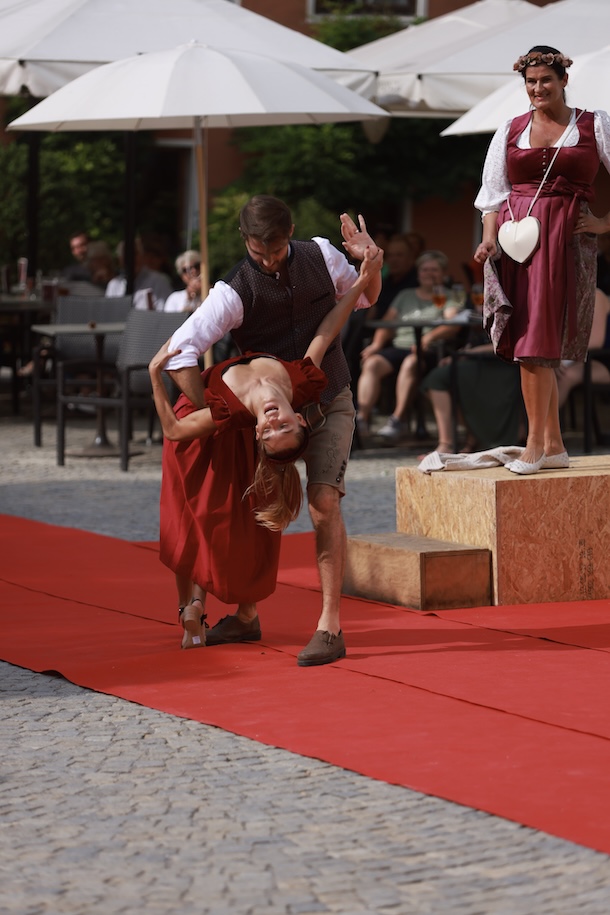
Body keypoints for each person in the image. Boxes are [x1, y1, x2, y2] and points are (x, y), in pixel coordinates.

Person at [160, 195, 383, 667]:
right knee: (252, 511)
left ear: (291, 233)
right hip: (267, 416)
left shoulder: (321, 254)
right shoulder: (232, 291)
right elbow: (181, 352)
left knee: (323, 502)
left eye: (276, 250)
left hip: (329, 396)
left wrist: (371, 266)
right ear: (245, 240)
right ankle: (246, 615)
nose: (268, 260)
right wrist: (221, 411)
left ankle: (329, 626)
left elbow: (364, 298)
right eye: (258, 252)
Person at [474, 45, 610, 474]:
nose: (538, 88)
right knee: (530, 341)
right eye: (531, 82)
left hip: (567, 241)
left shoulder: (593, 123)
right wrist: (488, 239)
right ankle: (551, 445)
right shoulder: (510, 129)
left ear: (564, 81)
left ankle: (535, 446)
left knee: (539, 343)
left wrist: (603, 223)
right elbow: (493, 194)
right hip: (517, 241)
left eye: (546, 80)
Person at [356, 250, 460, 441]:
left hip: (431, 350)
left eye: (434, 270)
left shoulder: (448, 295)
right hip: (400, 346)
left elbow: (452, 323)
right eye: (425, 270)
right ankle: (362, 419)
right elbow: (387, 322)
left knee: (411, 362)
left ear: (443, 273)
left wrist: (427, 338)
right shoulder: (405, 295)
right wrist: (377, 344)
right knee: (372, 363)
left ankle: (398, 419)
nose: (429, 274)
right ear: (418, 273)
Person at [106, 238, 173, 310]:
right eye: (126, 254)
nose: (131, 258)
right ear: (119, 259)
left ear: (142, 256)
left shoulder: (159, 281)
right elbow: (108, 313)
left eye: (135, 254)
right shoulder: (114, 285)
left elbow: (164, 312)